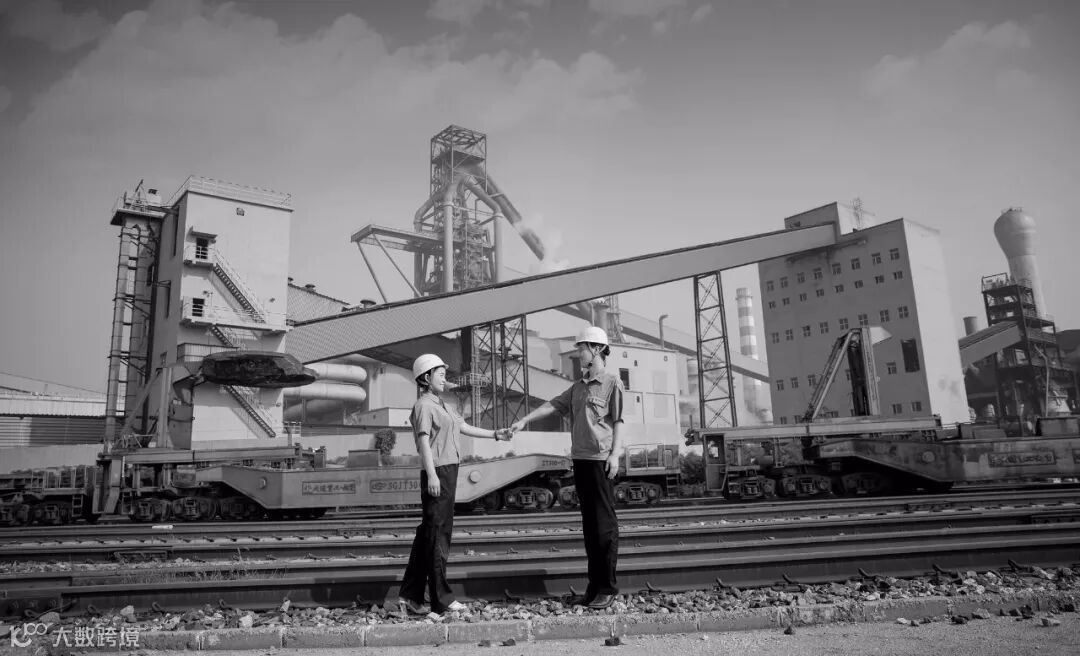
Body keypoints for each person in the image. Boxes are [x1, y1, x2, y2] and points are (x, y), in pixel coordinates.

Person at [509, 325, 624, 610]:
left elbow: (619, 421)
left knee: (604, 526)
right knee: (590, 529)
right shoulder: (578, 387)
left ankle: (608, 588)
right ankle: (593, 588)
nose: (579, 353)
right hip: (581, 461)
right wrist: (524, 420)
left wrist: (615, 455)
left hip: (600, 461)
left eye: (582, 348)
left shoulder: (612, 383)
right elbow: (552, 405)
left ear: (597, 349)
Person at [399, 353, 512, 618]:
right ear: (426, 377)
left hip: (448, 471)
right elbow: (424, 442)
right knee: (439, 536)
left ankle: (410, 596)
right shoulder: (423, 406)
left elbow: (464, 427)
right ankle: (442, 600)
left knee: (428, 535)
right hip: (437, 471)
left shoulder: (444, 405)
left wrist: (496, 434)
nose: (444, 378)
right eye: (440, 374)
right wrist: (432, 476)